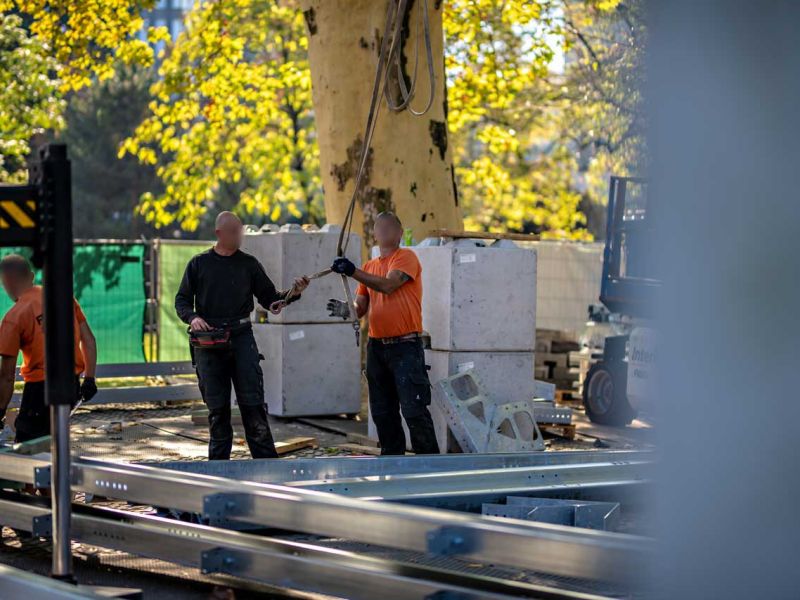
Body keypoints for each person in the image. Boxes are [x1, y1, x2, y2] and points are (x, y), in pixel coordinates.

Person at [175, 211, 309, 460]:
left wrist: (294, 293)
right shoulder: (198, 264)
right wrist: (193, 318)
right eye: (234, 232)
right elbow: (181, 300)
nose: (239, 236)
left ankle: (267, 469)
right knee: (218, 412)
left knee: (253, 407)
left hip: (241, 339)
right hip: (209, 342)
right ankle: (218, 470)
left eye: (240, 231)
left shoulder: (248, 264)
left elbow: (271, 299)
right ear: (219, 233)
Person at [327, 212, 438, 455]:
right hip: (377, 347)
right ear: (374, 234)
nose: (384, 230)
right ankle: (392, 461)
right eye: (380, 226)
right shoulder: (369, 267)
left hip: (405, 346)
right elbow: (360, 308)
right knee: (382, 412)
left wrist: (352, 271)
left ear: (400, 233)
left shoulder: (406, 257)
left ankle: (429, 463)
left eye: (390, 226)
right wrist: (346, 309)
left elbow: (388, 286)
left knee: (414, 410)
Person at [0, 254, 97, 442]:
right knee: (55, 442)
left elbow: (6, 376)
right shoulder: (64, 298)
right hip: (71, 384)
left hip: (39, 390)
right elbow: (89, 340)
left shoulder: (14, 317)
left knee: (29, 447)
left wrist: (0, 410)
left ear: (6, 282)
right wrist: (90, 379)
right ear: (31, 276)